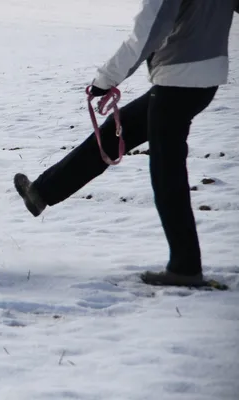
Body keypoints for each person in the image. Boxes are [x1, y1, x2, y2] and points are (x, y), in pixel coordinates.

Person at [14, 0, 239, 287]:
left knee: (166, 172)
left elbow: (148, 32)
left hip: (179, 80)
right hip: (202, 78)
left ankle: (185, 267)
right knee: (116, 132)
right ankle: (42, 192)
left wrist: (106, 79)